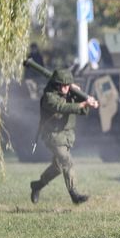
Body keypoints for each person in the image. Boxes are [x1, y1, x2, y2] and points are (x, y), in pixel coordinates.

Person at [29, 68, 99, 205]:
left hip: (67, 135)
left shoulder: (69, 93)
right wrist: (82, 103)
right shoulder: (49, 97)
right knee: (66, 161)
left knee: (58, 167)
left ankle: (37, 185)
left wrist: (84, 99)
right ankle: (74, 194)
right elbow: (62, 108)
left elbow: (82, 111)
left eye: (67, 85)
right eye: (62, 85)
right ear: (56, 84)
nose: (65, 88)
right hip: (52, 135)